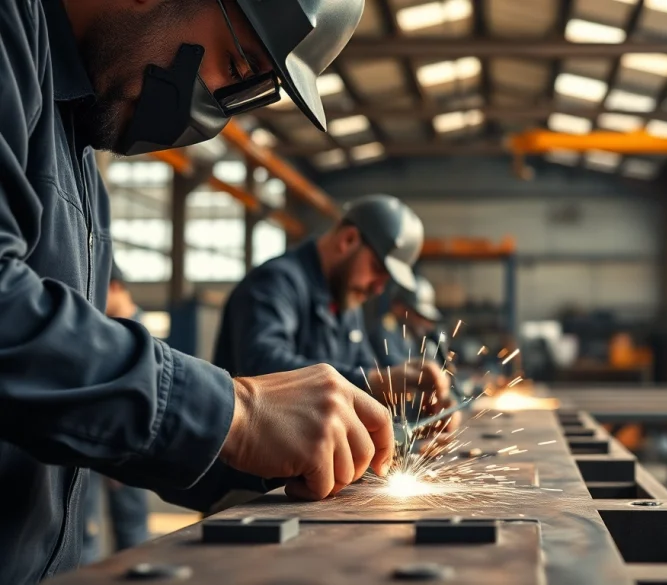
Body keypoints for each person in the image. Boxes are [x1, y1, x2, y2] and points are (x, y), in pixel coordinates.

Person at [0, 0, 397, 582]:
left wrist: (276, 460)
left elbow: (75, 404)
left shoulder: (77, 153)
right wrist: (235, 414)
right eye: (236, 66)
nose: (211, 107)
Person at [213, 194, 453, 417]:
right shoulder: (276, 282)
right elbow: (263, 367)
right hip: (252, 459)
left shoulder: (346, 302)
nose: (378, 288)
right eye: (377, 270)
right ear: (348, 239)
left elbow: (368, 381)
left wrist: (420, 410)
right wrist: (373, 381)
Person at [81, 263, 151, 563]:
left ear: (114, 287)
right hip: (90, 444)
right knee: (85, 529)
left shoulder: (143, 336)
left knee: (132, 528)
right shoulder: (101, 330)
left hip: (128, 444)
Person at [367, 276, 447, 368]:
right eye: (417, 314)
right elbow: (393, 364)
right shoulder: (384, 331)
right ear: (399, 307)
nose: (422, 322)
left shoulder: (408, 333)